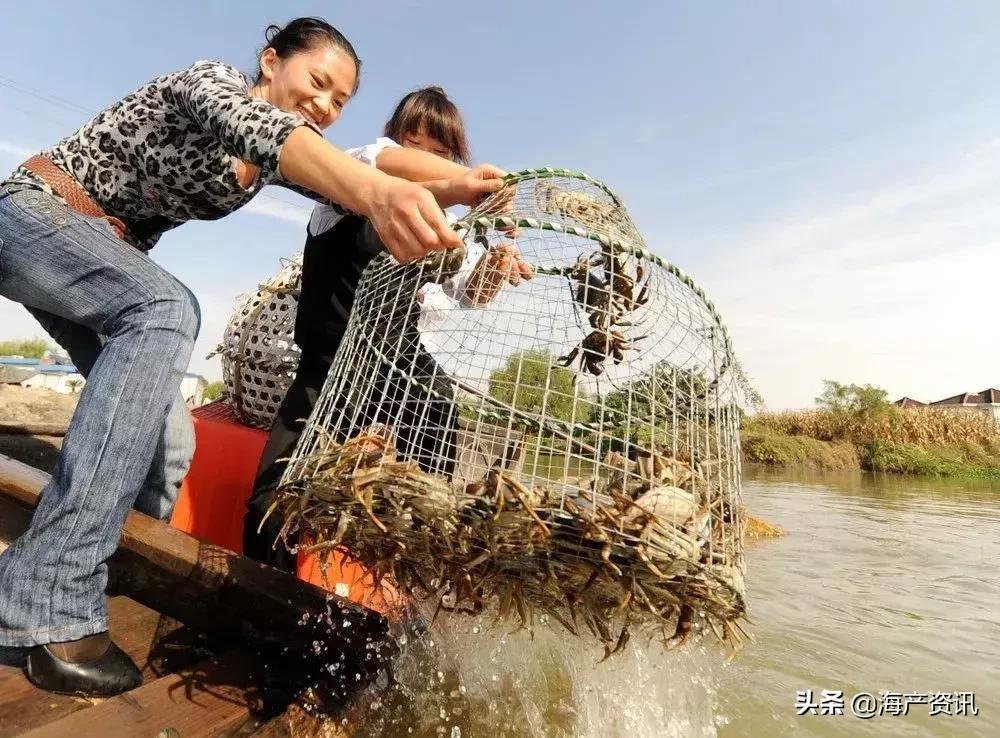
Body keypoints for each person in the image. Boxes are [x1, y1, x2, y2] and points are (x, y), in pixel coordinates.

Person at [0, 17, 504, 697]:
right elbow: (315, 150)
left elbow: (344, 170)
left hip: (96, 260)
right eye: (317, 83)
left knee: (167, 445)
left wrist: (467, 188)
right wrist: (383, 189)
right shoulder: (211, 83)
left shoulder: (268, 168)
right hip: (33, 215)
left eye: (339, 101)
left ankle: (115, 584)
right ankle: (46, 601)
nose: (324, 107)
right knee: (165, 309)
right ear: (271, 61)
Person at [243, 87, 533, 572]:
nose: (424, 159)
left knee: (431, 480)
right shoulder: (351, 180)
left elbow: (471, 292)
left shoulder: (444, 228)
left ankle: (409, 594)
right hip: (331, 369)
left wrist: (498, 265)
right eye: (413, 144)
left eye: (440, 153)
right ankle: (259, 597)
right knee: (275, 500)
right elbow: (384, 162)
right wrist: (464, 180)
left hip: (401, 372)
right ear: (395, 140)